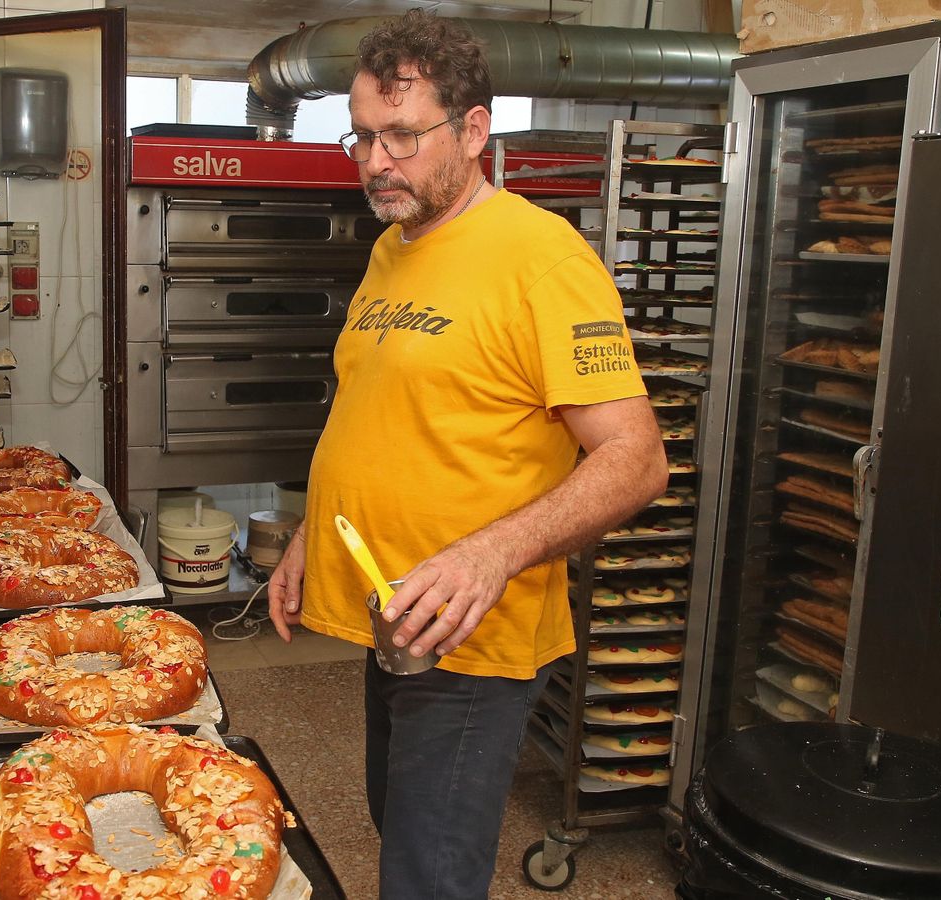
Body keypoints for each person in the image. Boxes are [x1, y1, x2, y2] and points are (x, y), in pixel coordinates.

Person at [265, 10, 669, 899]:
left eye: (403, 136)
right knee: (395, 828)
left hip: (473, 639)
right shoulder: (392, 246)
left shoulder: (542, 261)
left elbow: (636, 460)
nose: (377, 162)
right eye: (363, 136)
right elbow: (382, 411)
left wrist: (489, 553)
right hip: (394, 617)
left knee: (430, 876)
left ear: (475, 129)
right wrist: (311, 537)